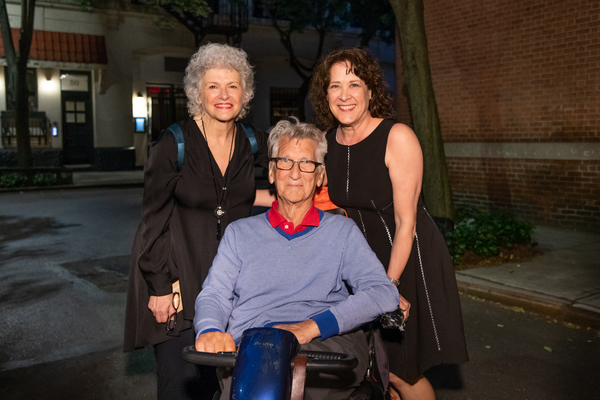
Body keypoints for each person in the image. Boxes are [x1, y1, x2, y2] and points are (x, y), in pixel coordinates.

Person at [194, 118, 400, 399]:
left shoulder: (342, 232)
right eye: (285, 161)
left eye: (306, 163)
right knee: (256, 379)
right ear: (271, 172)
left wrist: (310, 327)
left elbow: (382, 292)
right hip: (254, 345)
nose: (294, 172)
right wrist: (210, 329)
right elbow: (214, 294)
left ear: (319, 176)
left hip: (324, 342)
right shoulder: (239, 233)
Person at [308, 47, 469, 400]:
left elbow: (406, 219)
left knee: (400, 370)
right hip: (363, 260)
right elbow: (303, 194)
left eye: (354, 83)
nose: (345, 95)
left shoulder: (397, 137)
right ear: (326, 95)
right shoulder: (326, 142)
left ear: (370, 91)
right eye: (335, 86)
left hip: (407, 256)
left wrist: (387, 286)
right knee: (375, 365)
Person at [123, 43, 270, 400]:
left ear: (245, 93)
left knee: (218, 386)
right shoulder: (172, 144)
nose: (224, 95)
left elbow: (290, 163)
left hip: (224, 281)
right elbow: (152, 223)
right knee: (180, 384)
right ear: (196, 93)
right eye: (213, 86)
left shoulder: (252, 141)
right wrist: (159, 287)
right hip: (174, 278)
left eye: (232, 86)